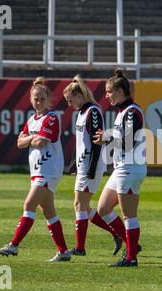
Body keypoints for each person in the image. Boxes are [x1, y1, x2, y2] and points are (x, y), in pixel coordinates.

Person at [0, 77, 71, 262]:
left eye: (42, 99)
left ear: (48, 99)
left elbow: (40, 141)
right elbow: (20, 143)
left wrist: (29, 138)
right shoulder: (32, 119)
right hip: (38, 170)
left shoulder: (51, 118)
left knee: (28, 205)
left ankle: (13, 246)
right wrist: (31, 138)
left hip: (49, 169)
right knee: (49, 212)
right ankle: (63, 252)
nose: (38, 102)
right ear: (31, 99)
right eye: (35, 99)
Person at [63, 75, 123, 256]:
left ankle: (80, 248)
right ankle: (119, 235)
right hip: (84, 166)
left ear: (79, 96)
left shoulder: (93, 111)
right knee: (83, 207)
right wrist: (74, 165)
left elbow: (97, 142)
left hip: (92, 166)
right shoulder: (81, 112)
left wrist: (90, 169)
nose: (69, 104)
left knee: (80, 206)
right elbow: (81, 142)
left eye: (70, 100)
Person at [93, 69, 146, 267]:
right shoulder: (123, 112)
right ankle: (131, 245)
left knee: (129, 215)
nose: (106, 95)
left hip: (131, 168)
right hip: (121, 168)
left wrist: (107, 138)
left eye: (109, 91)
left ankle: (131, 257)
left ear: (120, 91)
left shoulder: (132, 111)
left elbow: (130, 141)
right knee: (103, 208)